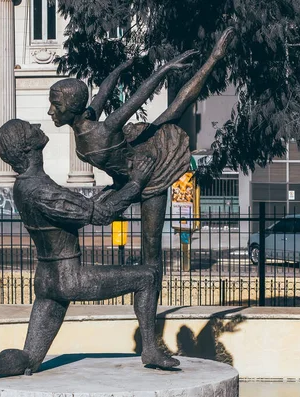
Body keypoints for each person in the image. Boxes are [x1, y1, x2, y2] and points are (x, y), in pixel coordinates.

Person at [0, 119, 179, 392]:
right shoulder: (42, 190)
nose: (37, 126)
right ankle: (150, 349)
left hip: (46, 281)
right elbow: (100, 215)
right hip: (70, 278)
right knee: (148, 277)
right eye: (31, 129)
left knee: (30, 357)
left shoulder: (24, 186)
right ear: (27, 147)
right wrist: (136, 183)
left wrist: (118, 188)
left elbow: (82, 208)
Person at [48, 28, 234, 275]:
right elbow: (104, 90)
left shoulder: (103, 130)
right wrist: (121, 68)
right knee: (86, 213)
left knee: (150, 251)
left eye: (56, 105)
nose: (51, 111)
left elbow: (138, 97)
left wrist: (165, 69)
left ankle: (214, 58)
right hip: (125, 179)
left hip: (150, 175)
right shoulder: (87, 117)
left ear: (72, 108)